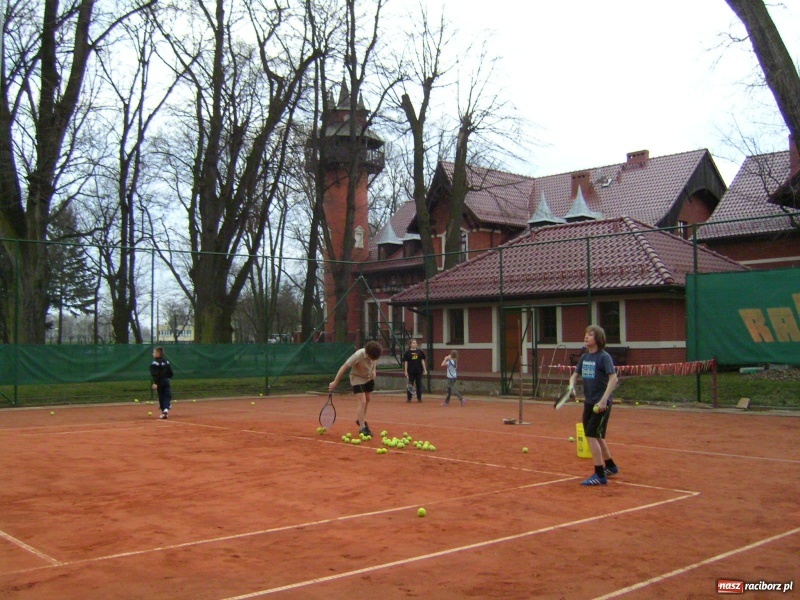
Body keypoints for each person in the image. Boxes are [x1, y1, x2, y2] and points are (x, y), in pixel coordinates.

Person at [568, 325, 620, 486]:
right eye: (585, 334)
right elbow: (574, 375)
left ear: (597, 338)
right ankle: (610, 466)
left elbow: (613, 379)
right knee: (596, 435)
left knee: (591, 435)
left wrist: (604, 400)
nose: (586, 337)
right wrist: (571, 386)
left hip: (601, 403)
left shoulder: (604, 357)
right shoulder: (584, 357)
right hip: (589, 402)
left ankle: (599, 474)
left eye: (590, 335)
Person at [329, 341, 382, 437]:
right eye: (371, 358)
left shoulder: (374, 355)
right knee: (362, 401)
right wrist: (335, 382)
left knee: (368, 399)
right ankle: (362, 428)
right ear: (367, 353)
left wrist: (374, 370)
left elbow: (374, 361)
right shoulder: (358, 355)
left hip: (368, 378)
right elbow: (344, 367)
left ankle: (360, 419)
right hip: (357, 378)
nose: (371, 360)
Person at [150, 346, 174, 419]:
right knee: (167, 395)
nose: (153, 354)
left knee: (161, 396)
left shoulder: (154, 363)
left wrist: (156, 383)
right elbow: (171, 373)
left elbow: (155, 374)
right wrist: (167, 377)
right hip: (166, 381)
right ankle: (166, 408)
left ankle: (164, 409)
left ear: (157, 354)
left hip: (160, 382)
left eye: (154, 352)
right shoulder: (167, 362)